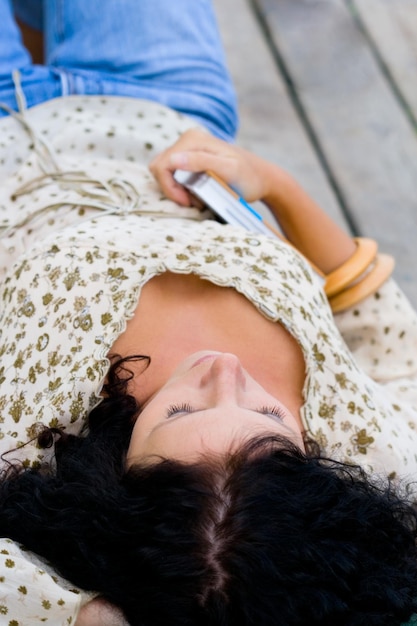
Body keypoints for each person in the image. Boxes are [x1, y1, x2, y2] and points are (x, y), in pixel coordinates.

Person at [1, 1, 417, 625]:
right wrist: (274, 183)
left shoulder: (31, 439)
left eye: (182, 409)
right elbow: (384, 325)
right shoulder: (370, 446)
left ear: (114, 484)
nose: (223, 371)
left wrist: (84, 615)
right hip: (161, 99)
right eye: (268, 417)